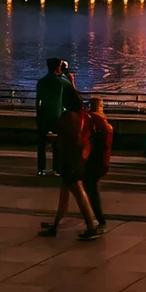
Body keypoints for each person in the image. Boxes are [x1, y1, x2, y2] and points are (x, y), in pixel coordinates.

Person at [41, 88, 102, 239]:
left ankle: (91, 224)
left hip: (69, 160)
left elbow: (63, 137)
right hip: (79, 158)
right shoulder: (84, 117)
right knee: (65, 195)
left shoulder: (67, 117)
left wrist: (53, 139)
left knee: (77, 191)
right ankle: (55, 226)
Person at [35, 58, 72, 174]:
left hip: (44, 116)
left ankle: (41, 168)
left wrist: (38, 115)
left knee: (42, 144)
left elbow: (38, 101)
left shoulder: (41, 82)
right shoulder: (63, 82)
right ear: (58, 68)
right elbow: (72, 95)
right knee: (58, 144)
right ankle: (57, 168)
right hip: (59, 116)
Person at [82, 97, 113, 231]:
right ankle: (95, 219)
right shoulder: (104, 121)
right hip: (103, 160)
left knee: (89, 189)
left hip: (94, 160)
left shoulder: (91, 119)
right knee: (90, 188)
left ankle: (97, 220)